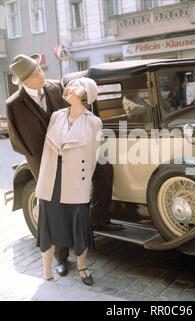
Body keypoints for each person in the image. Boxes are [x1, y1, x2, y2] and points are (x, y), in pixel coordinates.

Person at [6, 54, 123, 278]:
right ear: (24, 81)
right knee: (56, 207)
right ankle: (61, 258)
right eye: (36, 74)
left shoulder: (55, 87)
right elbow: (17, 142)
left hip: (75, 152)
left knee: (104, 168)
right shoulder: (14, 105)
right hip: (45, 160)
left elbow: (79, 108)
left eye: (40, 70)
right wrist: (45, 155)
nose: (42, 75)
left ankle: (98, 219)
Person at [36, 78, 100, 285]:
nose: (68, 88)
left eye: (73, 86)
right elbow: (47, 150)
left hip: (75, 180)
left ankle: (82, 268)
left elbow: (91, 158)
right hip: (51, 178)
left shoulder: (93, 122)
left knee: (79, 225)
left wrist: (83, 185)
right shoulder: (56, 116)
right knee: (48, 225)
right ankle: (47, 272)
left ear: (84, 94)